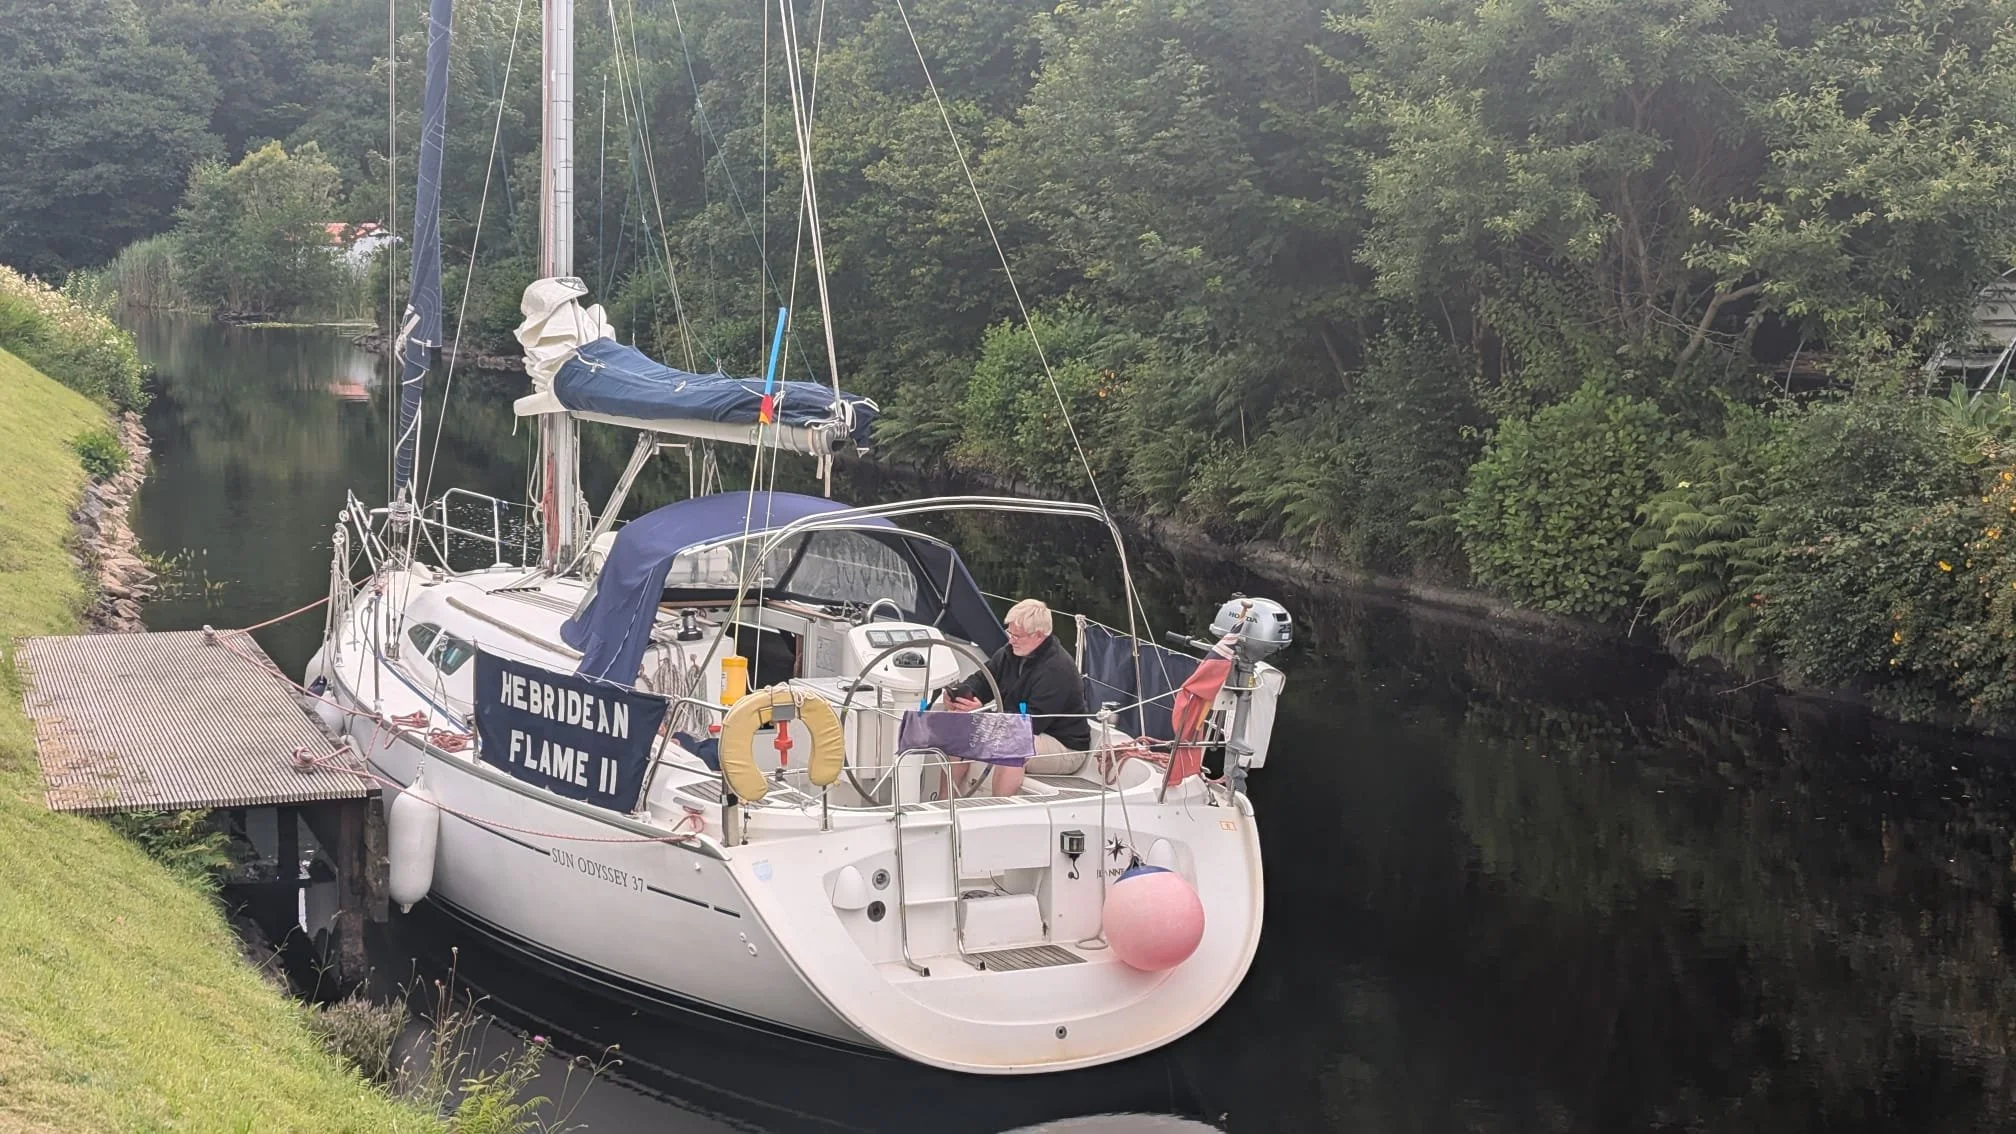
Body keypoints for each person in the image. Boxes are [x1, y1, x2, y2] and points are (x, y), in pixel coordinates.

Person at [945, 598, 1088, 795]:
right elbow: (983, 680)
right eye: (1010, 633)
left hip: (1064, 746)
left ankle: (999, 809)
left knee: (1012, 745)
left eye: (1017, 635)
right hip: (1021, 727)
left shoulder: (1057, 670)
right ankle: (944, 802)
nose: (1011, 640)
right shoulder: (1010, 653)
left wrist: (982, 715)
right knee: (960, 726)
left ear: (1039, 635)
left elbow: (1031, 724)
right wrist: (962, 695)